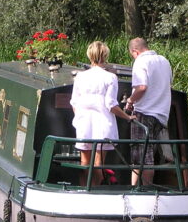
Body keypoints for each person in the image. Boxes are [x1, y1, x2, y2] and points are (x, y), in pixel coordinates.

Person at [70, 41, 134, 186]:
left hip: (83, 122)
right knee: (99, 162)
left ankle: (85, 189)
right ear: (105, 55)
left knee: (85, 162)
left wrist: (79, 118)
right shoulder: (110, 77)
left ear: (89, 55)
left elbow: (74, 102)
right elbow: (111, 105)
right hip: (103, 123)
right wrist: (127, 116)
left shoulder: (80, 77)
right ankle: (97, 189)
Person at [125, 37, 172, 185]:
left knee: (141, 157)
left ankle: (140, 190)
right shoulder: (164, 60)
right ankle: (145, 189)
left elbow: (141, 88)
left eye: (132, 54)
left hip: (144, 113)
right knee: (149, 152)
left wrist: (130, 101)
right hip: (162, 114)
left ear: (135, 51)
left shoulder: (140, 61)